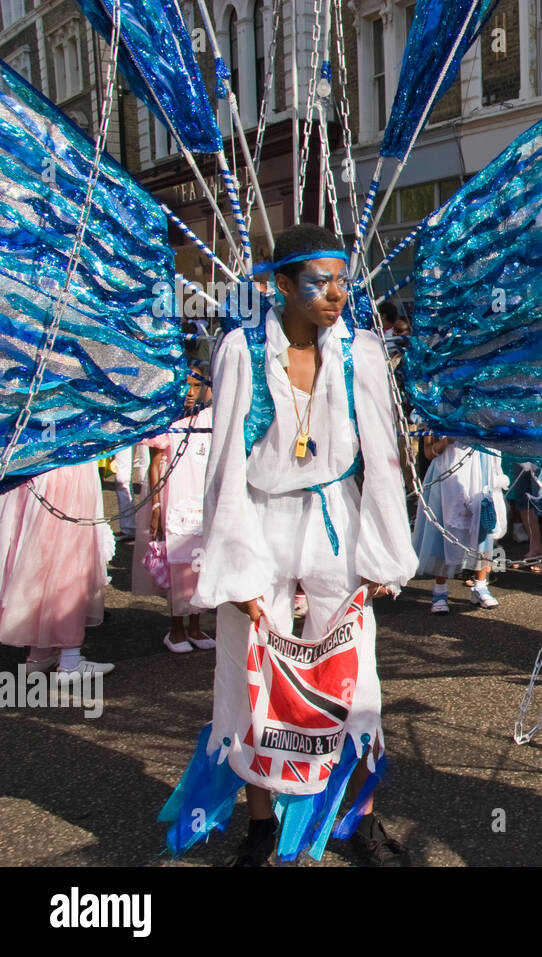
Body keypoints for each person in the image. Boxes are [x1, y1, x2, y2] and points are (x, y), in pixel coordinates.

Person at [159, 224, 419, 867]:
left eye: (342, 280)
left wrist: (385, 552)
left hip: (337, 519)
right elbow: (224, 467)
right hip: (259, 522)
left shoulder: (360, 350)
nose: (336, 294)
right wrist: (236, 571)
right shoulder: (241, 351)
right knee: (248, 674)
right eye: (319, 281)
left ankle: (356, 819)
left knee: (356, 675)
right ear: (279, 284)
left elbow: (382, 457)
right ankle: (259, 828)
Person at [0, 461, 115, 676]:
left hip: (34, 470)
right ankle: (70, 660)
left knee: (40, 563)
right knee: (69, 564)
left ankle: (40, 653)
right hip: (67, 472)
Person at [131, 369, 215, 653]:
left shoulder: (211, 419)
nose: (190, 392)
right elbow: (155, 464)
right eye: (185, 386)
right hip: (175, 495)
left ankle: (196, 624)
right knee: (177, 560)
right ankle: (176, 628)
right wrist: (156, 506)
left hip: (201, 496)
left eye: (196, 385)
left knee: (200, 561)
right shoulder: (167, 420)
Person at [411, 434, 507, 613]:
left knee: (482, 525)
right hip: (447, 473)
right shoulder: (435, 408)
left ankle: (480, 585)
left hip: (480, 470)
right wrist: (447, 441)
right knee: (444, 528)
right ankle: (440, 590)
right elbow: (428, 453)